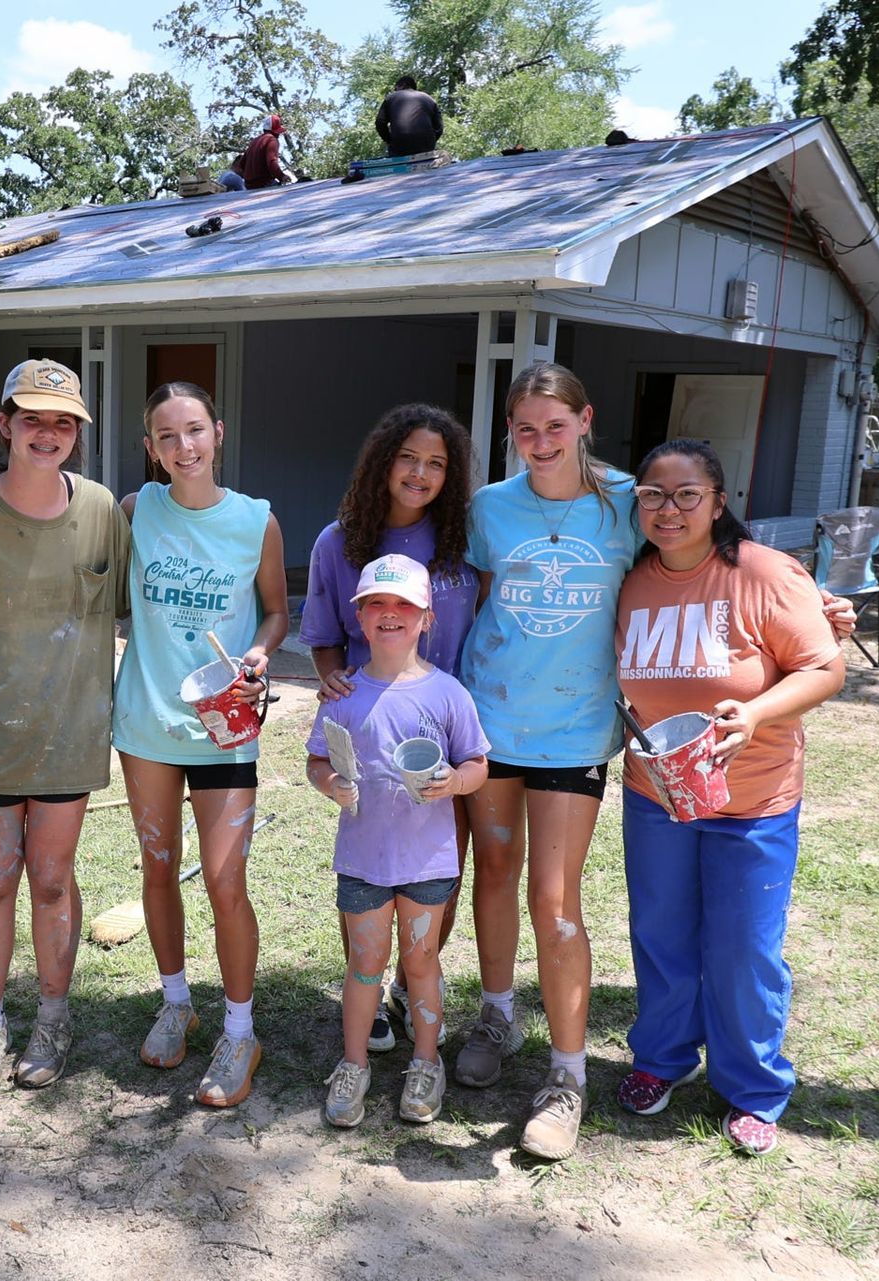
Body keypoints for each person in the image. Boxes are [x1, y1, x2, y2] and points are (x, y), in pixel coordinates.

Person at [612, 439, 845, 1157]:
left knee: (744, 946)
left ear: (718, 501)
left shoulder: (765, 573)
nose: (670, 508)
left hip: (753, 799)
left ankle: (753, 1085)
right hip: (657, 793)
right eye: (653, 493)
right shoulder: (629, 578)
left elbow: (824, 667)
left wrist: (756, 714)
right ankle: (663, 1056)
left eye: (687, 494)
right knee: (661, 931)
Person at [454, 362, 642, 1161]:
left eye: (554, 427)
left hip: (575, 726)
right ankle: (497, 1011)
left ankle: (568, 1076)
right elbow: (483, 593)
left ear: (585, 418)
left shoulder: (629, 501)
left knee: (555, 897)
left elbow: (710, 562)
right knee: (494, 871)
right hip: (492, 717)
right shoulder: (491, 507)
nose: (539, 442)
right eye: (524, 429)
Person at [0, 359, 132, 1094]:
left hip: (71, 735)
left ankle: (53, 1016)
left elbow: (129, 610)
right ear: (5, 424)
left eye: (62, 421)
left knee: (51, 878)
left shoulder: (104, 507)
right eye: (33, 418)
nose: (47, 432)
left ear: (77, 431)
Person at [114, 382, 289, 1108]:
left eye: (194, 431)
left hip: (225, 725)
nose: (183, 447)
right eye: (166, 435)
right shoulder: (132, 512)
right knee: (159, 867)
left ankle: (241, 1028)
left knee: (224, 881)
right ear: (150, 447)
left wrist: (256, 653)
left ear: (217, 432)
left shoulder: (256, 521)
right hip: (148, 722)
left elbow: (278, 612)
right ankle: (177, 1001)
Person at [302, 405, 478, 1053]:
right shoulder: (338, 541)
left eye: (436, 463)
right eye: (408, 457)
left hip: (447, 721)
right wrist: (332, 679)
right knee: (368, 863)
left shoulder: (461, 537)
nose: (420, 473)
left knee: (442, 864)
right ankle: (369, 988)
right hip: (373, 725)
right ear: (382, 461)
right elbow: (322, 638)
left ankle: (413, 978)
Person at [307, 554, 490, 1128]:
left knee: (421, 961)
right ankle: (355, 1062)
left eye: (403, 606)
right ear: (359, 618)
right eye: (376, 606)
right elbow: (316, 760)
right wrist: (330, 783)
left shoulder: (448, 694)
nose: (390, 615)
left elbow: (478, 764)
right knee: (364, 963)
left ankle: (426, 1061)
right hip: (363, 858)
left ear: (427, 618)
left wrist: (456, 782)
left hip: (428, 860)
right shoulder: (342, 693)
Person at [375, 74, 443, 158]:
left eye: (395, 88)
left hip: (400, 144)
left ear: (402, 85)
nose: (395, 91)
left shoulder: (391, 98)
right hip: (425, 145)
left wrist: (389, 140)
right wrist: (430, 141)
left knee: (398, 161)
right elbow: (439, 128)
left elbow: (380, 122)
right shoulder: (430, 99)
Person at [234, 114, 291, 189]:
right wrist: (282, 176)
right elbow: (271, 162)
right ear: (273, 131)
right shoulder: (272, 140)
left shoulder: (254, 141)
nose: (279, 134)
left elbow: (241, 164)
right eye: (277, 131)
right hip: (265, 184)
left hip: (248, 187)